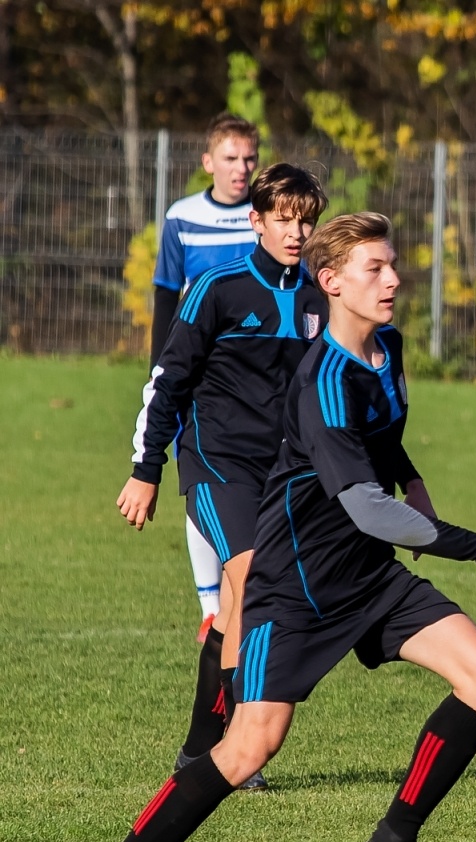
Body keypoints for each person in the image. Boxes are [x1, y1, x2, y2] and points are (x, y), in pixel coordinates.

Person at [75, 212, 476, 842]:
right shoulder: (325, 378)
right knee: (249, 744)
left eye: (392, 265)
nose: (392, 279)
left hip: (370, 578)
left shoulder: (389, 350)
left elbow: (381, 443)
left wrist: (413, 483)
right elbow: (363, 506)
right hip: (293, 588)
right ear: (332, 283)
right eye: (374, 269)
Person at [122, 163, 328, 792]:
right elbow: (171, 380)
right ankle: (240, 745)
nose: (296, 232)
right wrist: (146, 468)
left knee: (237, 606)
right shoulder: (218, 286)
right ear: (257, 220)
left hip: (282, 474)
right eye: (284, 219)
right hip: (215, 464)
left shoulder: (323, 297)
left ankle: (197, 751)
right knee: (254, 581)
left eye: (306, 220)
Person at [152, 113, 264, 641]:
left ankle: (245, 593)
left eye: (249, 159)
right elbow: (164, 296)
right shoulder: (181, 217)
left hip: (257, 380)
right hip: (197, 372)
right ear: (208, 161)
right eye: (231, 158)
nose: (241, 169)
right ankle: (210, 604)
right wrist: (160, 369)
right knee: (197, 481)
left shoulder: (269, 216)